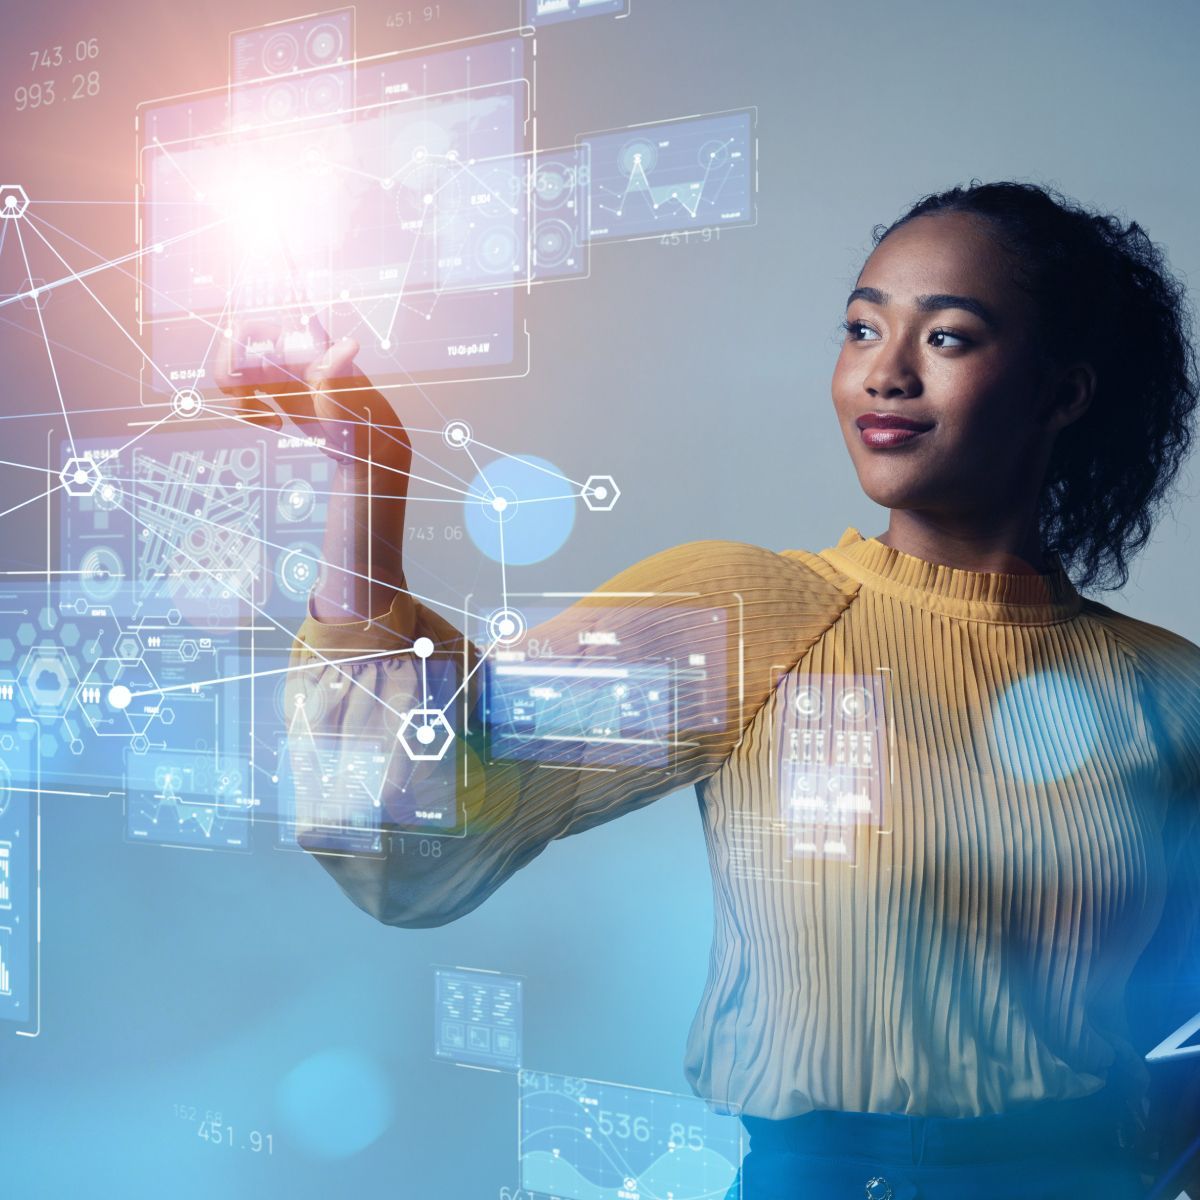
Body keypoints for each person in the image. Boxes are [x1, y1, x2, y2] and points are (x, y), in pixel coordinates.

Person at [219, 182, 1200, 1198]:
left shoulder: (1175, 697)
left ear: (1066, 392)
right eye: (863, 328)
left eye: (947, 338)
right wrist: (365, 478)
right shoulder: (749, 616)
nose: (885, 373)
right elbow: (407, 837)